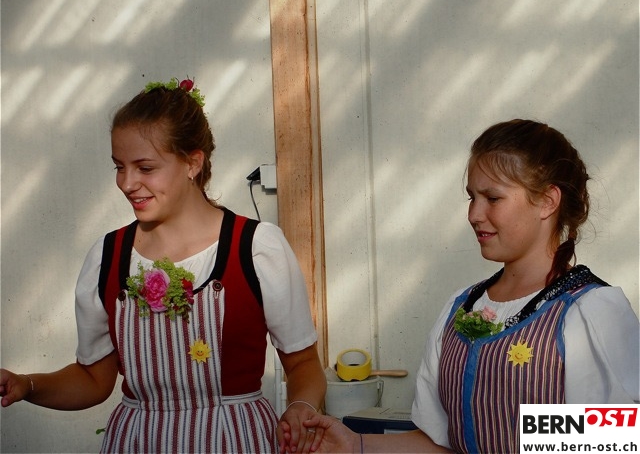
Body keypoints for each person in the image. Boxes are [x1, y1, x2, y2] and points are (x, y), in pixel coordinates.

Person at [0, 78, 326, 453]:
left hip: (234, 440)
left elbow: (303, 365)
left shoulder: (256, 248)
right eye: (119, 167)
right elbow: (93, 380)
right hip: (138, 442)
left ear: (192, 162)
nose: (127, 183)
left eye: (145, 167)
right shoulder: (108, 256)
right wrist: (27, 385)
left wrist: (301, 407)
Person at [303, 119, 639, 453]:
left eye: (492, 198)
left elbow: (616, 442)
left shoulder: (589, 312)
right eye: (471, 197)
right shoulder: (462, 306)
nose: (474, 214)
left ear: (548, 201)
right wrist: (355, 444)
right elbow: (441, 443)